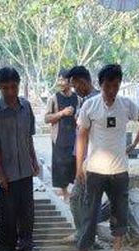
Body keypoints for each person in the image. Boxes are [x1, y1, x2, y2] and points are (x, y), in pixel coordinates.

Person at [75, 64, 139, 251]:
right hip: (95, 171)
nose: (112, 91)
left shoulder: (126, 105)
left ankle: (117, 250)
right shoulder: (89, 106)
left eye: (116, 86)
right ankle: (84, 247)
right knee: (90, 211)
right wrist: (78, 167)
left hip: (119, 171)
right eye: (108, 86)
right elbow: (81, 138)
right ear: (100, 85)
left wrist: (134, 144)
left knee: (119, 212)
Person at [0, 67, 43, 251]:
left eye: (13, 87)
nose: (10, 92)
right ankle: (7, 248)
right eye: (5, 88)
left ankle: (26, 246)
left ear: (19, 85)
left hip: (25, 169)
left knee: (27, 211)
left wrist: (34, 161)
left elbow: (29, 137)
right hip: (6, 172)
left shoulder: (26, 107)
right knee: (7, 212)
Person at [65, 65, 101, 242]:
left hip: (90, 159)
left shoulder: (94, 101)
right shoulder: (85, 100)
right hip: (84, 157)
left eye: (74, 85)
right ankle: (84, 233)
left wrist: (83, 163)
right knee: (83, 200)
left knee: (77, 199)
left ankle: (85, 235)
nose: (74, 89)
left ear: (83, 81)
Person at [44, 69, 79, 201]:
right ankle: (64, 194)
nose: (60, 82)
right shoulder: (54, 98)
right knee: (60, 166)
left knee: (74, 164)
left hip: (75, 137)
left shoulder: (77, 98)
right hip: (59, 137)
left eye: (63, 79)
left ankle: (72, 193)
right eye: (58, 79)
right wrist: (62, 113)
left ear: (70, 81)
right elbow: (46, 119)